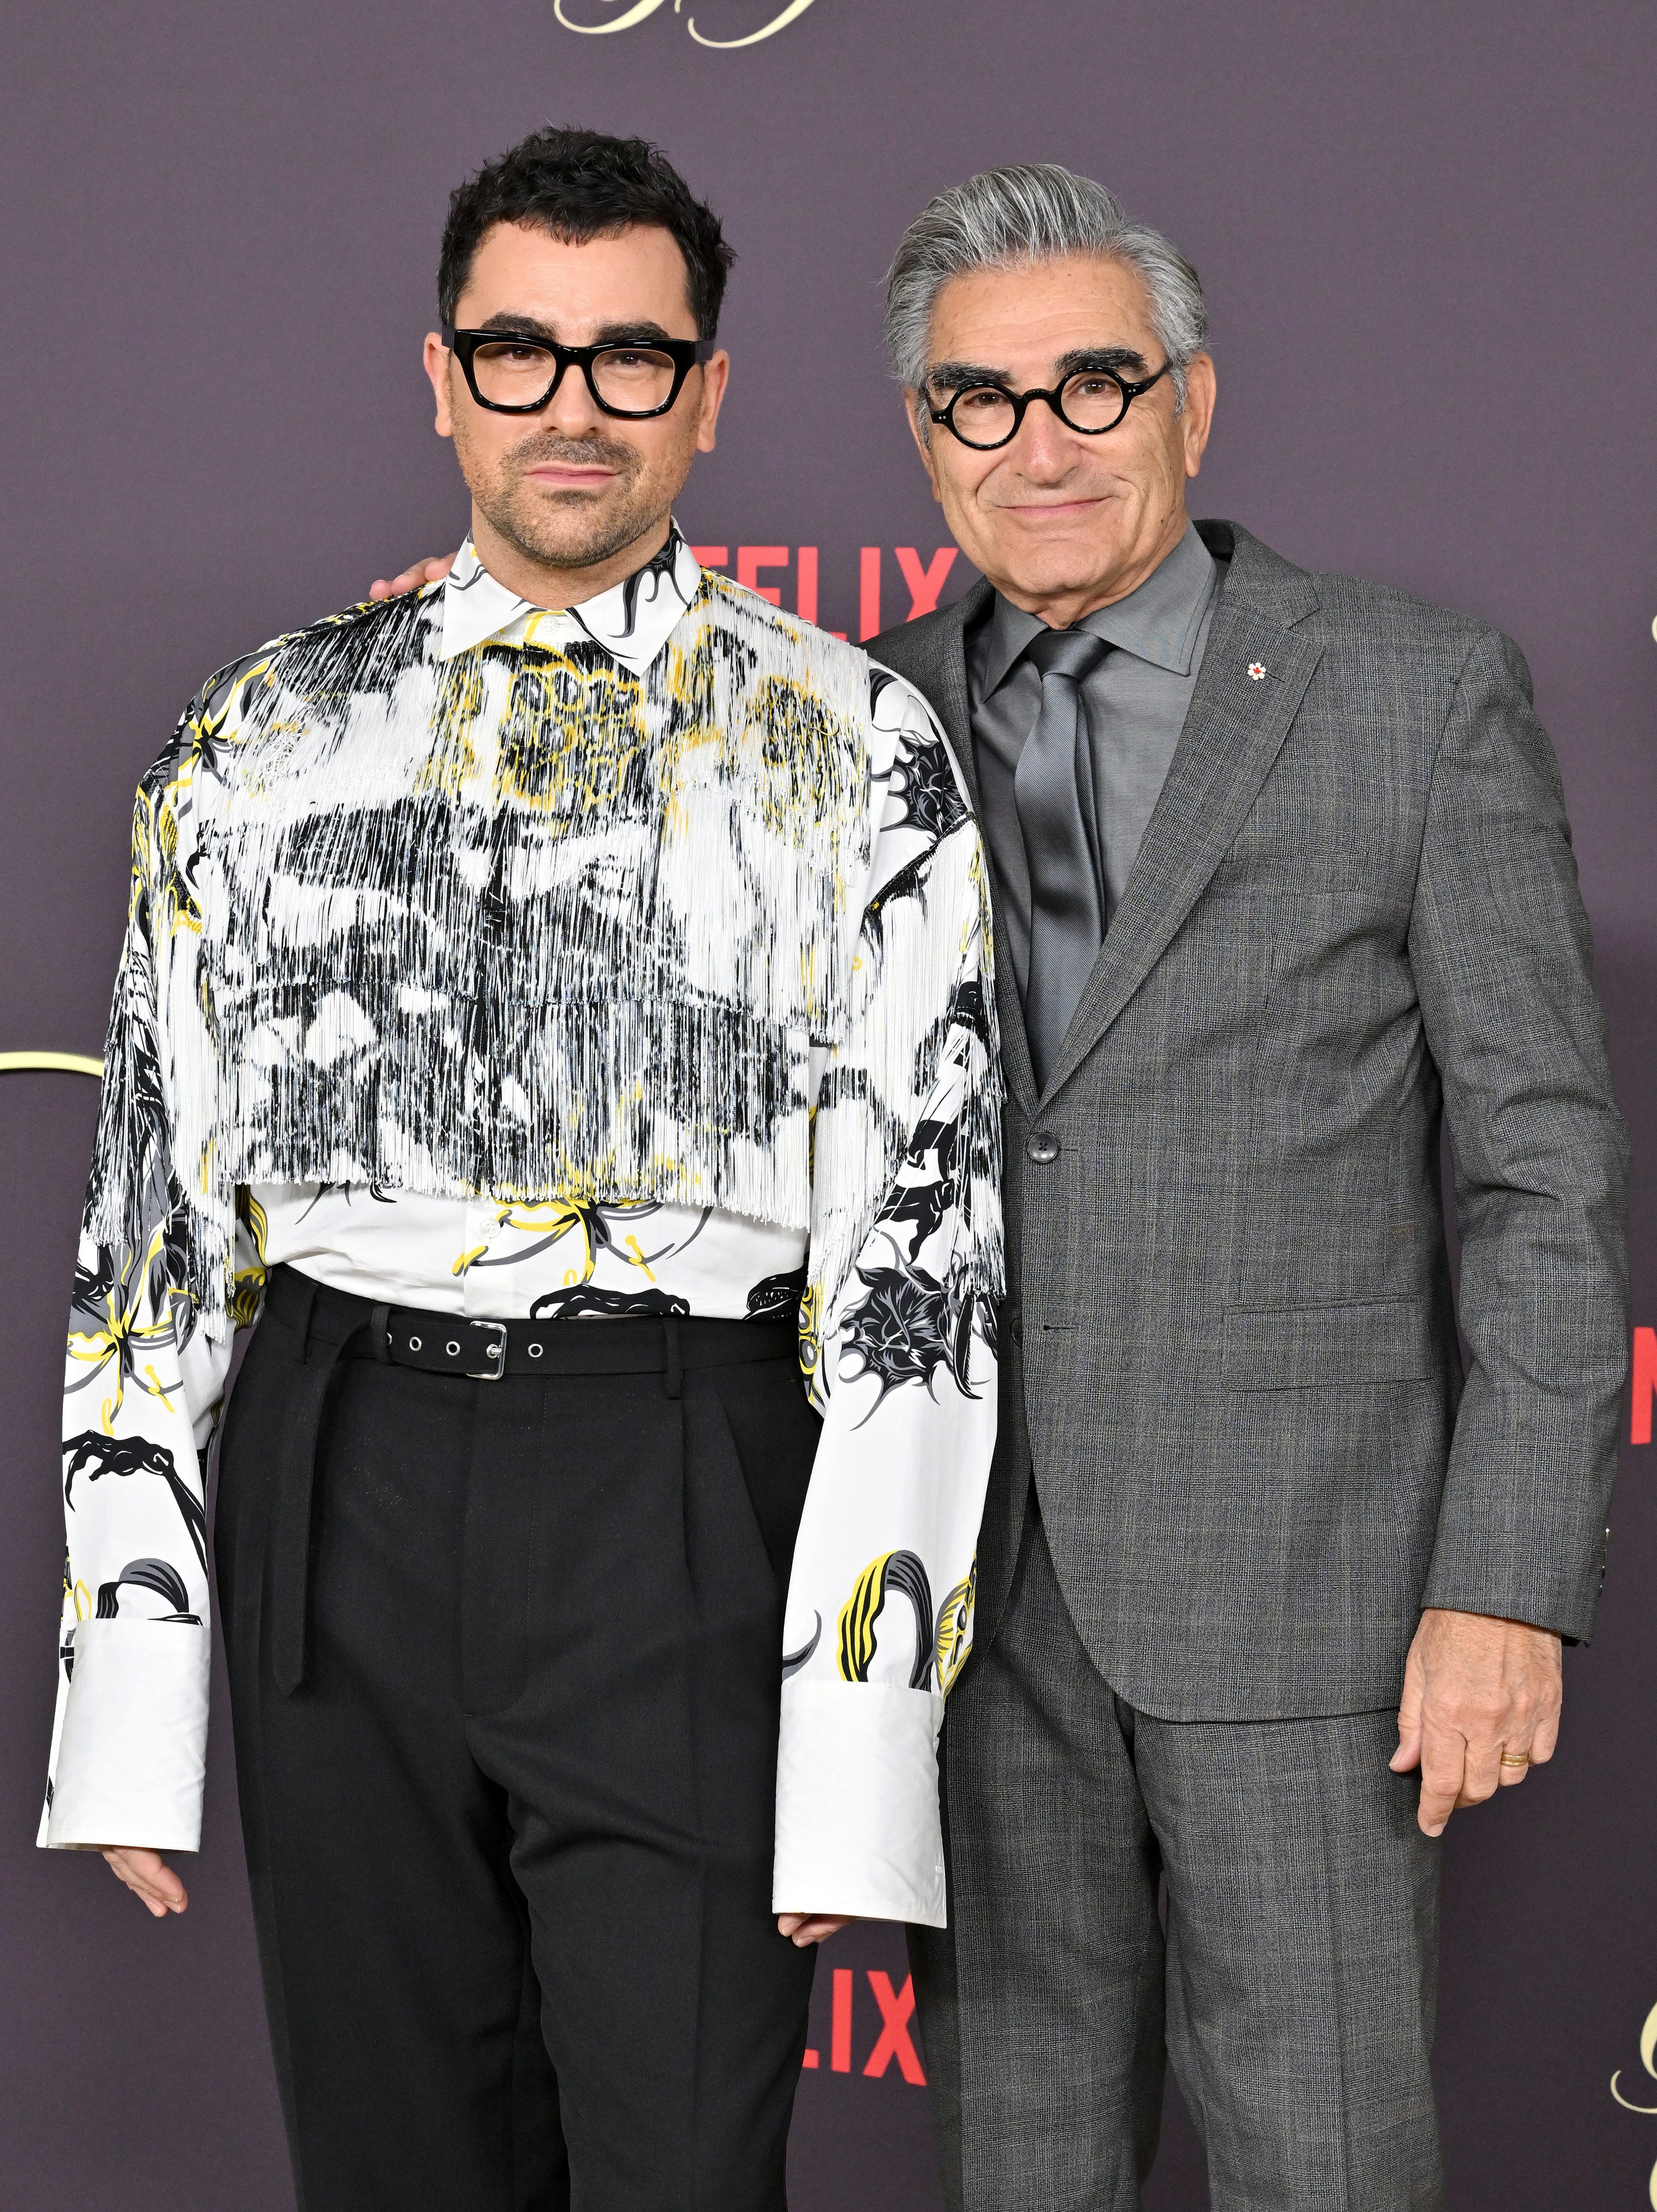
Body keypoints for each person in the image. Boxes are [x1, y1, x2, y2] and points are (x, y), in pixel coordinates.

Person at [42, 127, 1002, 2212]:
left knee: (677, 2167)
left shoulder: (852, 743)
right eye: (520, 351)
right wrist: (128, 1685)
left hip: (679, 1481)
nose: (573, 403)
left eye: (630, 357)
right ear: (441, 375)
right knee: (395, 2166)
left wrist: (854, 1755)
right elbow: (154, 1230)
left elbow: (919, 1263)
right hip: (339, 1465)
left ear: (709, 394)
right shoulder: (262, 732)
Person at [868, 165, 1629, 2211]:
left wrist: (1502, 1576)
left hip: (1312, 1605)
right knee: (1020, 2170)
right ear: (921, 438)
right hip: (955, 1610)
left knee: (1328, 2172)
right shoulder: (848, 718)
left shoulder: (1409, 694)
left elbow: (1542, 1174)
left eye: (1091, 385)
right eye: (976, 401)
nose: (1036, 444)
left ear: (1191, 405)